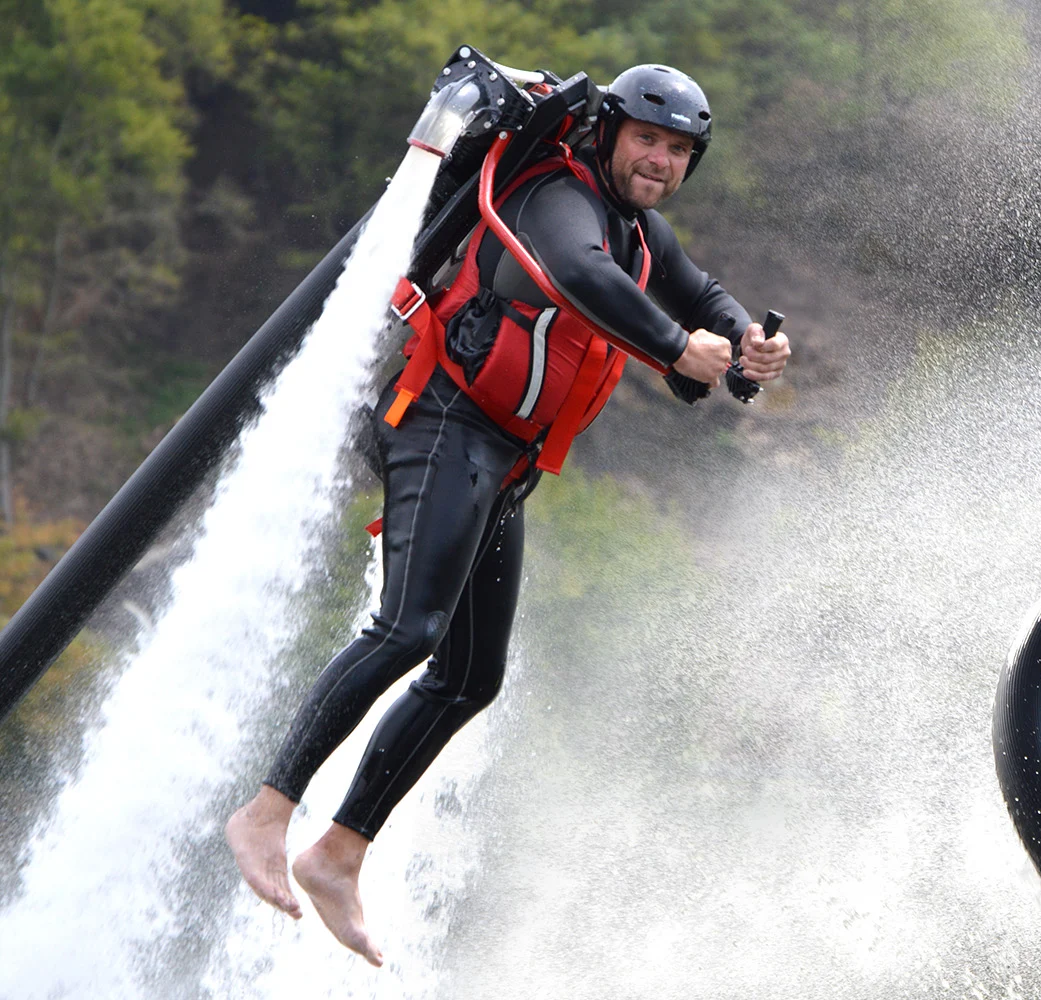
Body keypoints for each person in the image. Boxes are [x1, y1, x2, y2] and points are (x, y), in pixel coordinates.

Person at [225, 64, 790, 965]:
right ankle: (266, 812)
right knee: (408, 631)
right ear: (609, 134)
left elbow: (701, 291)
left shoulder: (642, 233)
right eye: (647, 140)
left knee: (470, 677)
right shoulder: (555, 196)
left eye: (679, 150)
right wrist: (676, 347)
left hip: (506, 463)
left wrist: (746, 339)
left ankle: (338, 853)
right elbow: (576, 274)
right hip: (444, 425)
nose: (660, 161)